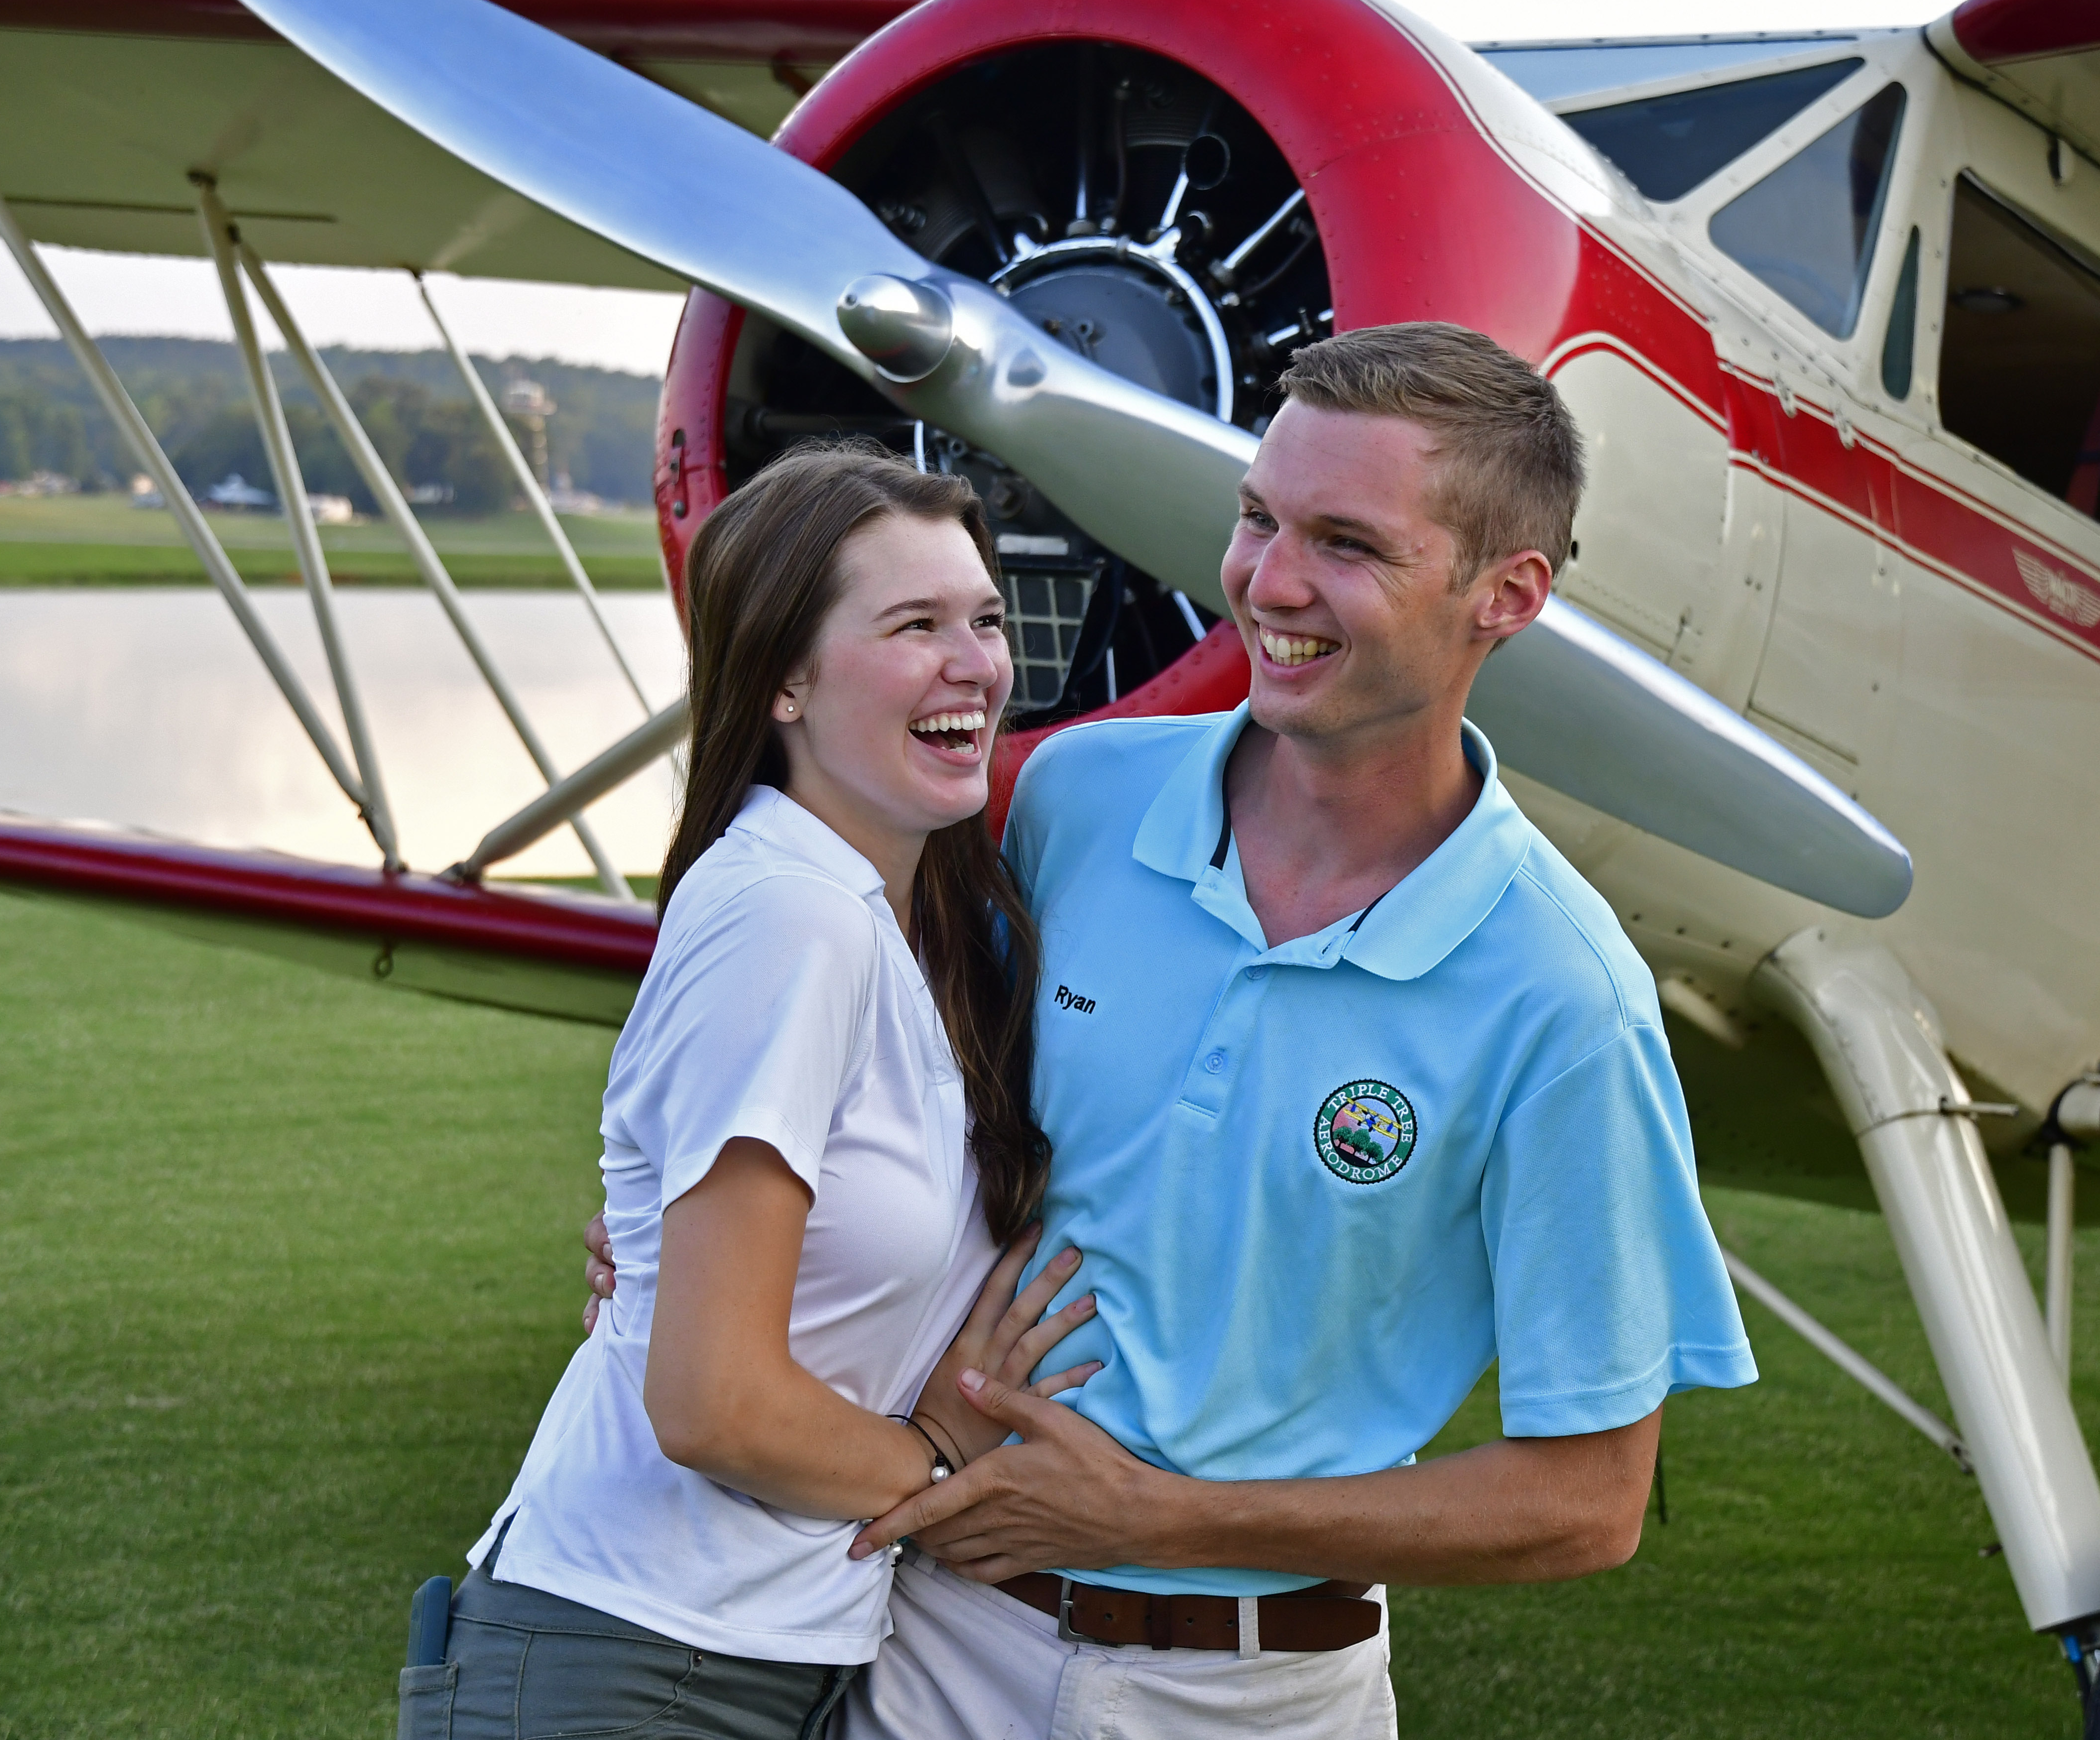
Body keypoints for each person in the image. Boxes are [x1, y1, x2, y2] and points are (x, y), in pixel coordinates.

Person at [590, 324, 1756, 1740]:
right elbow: (858, 1077)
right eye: (1257, 516)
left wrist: (1166, 1517)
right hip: (920, 1648)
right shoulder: (1072, 800)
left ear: (1503, 595)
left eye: (1347, 543)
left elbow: (1588, 1501)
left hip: (1266, 1699)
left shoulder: (1566, 997)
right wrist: (692, 1229)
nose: (1268, 581)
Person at [407, 447, 1097, 1740]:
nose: (977, 664)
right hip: (630, 1661)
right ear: (783, 675)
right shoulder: (791, 916)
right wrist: (939, 1458)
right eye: (915, 626)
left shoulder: (901, 918)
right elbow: (712, 1402)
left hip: (763, 1657)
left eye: (986, 618)